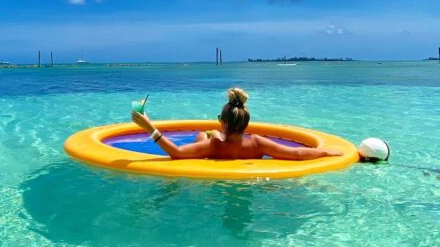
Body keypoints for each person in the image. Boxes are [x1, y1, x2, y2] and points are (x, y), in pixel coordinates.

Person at [130, 87, 342, 160]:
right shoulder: (258, 143)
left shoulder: (214, 145)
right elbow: (296, 154)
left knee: (206, 134)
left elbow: (175, 152)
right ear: (246, 125)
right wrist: (328, 153)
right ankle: (212, 131)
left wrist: (149, 126)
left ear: (222, 121)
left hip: (214, 148)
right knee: (209, 134)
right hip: (242, 161)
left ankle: (211, 131)